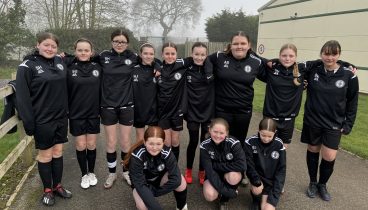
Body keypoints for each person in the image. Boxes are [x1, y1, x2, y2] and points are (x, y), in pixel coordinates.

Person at [16, 32, 72, 206]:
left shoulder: (59, 62)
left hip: (61, 118)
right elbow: (23, 99)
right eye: (46, 45)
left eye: (53, 46)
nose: (49, 48)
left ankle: (57, 186)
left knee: (58, 153)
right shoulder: (27, 66)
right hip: (42, 120)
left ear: (57, 49)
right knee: (46, 155)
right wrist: (29, 124)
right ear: (38, 44)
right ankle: (47, 190)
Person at [302, 40, 359, 201]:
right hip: (313, 120)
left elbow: (352, 102)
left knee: (329, 156)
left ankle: (322, 184)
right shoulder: (313, 70)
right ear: (321, 54)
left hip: (334, 123)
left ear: (339, 55)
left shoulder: (349, 75)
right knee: (313, 151)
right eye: (326, 53)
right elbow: (294, 66)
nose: (330, 57)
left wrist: (348, 124)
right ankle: (312, 182)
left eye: (334, 54)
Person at [98, 29, 137, 188]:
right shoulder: (103, 56)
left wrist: (157, 66)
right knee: (111, 142)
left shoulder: (133, 57)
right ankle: (112, 173)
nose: (119, 44)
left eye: (122, 42)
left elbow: (150, 60)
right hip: (108, 105)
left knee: (126, 142)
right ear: (111, 42)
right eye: (116, 41)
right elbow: (82, 57)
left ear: (127, 43)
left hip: (127, 105)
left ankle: (126, 172)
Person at [65, 38, 101, 189]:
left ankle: (91, 172)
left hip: (93, 113)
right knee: (81, 144)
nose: (83, 53)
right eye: (80, 50)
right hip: (76, 113)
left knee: (91, 144)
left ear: (91, 52)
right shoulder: (68, 67)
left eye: (86, 50)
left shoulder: (98, 67)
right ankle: (84, 174)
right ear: (75, 51)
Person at [124, 126, 188, 210]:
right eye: (151, 144)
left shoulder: (167, 152)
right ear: (144, 142)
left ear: (163, 142)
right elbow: (139, 184)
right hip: (142, 184)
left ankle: (181, 206)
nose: (154, 148)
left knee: (181, 181)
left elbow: (176, 179)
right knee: (143, 206)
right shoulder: (137, 156)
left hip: (159, 180)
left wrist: (156, 192)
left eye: (158, 144)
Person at [184, 42, 214, 185]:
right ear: (192, 54)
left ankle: (202, 171)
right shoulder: (187, 67)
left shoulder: (212, 68)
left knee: (205, 143)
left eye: (202, 55)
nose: (199, 57)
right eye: (196, 54)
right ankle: (189, 169)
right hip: (192, 112)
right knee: (193, 141)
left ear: (206, 55)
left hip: (208, 112)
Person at [200, 118, 246, 210]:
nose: (218, 135)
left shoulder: (234, 143)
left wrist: (217, 166)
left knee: (233, 176)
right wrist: (226, 191)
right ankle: (224, 192)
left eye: (221, 133)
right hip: (213, 173)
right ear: (209, 130)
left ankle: (224, 200)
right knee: (210, 195)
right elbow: (209, 171)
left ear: (227, 133)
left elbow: (242, 165)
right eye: (215, 131)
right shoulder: (204, 145)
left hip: (229, 172)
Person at [243, 118, 286, 210]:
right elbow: (249, 165)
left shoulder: (279, 144)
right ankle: (255, 199)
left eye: (270, 136)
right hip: (258, 178)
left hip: (271, 182)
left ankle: (266, 197)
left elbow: (281, 170)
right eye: (263, 135)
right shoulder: (250, 142)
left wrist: (275, 195)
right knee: (257, 189)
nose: (266, 139)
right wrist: (256, 180)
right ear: (258, 131)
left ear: (275, 132)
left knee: (267, 208)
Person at [157, 42, 187, 161]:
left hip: (177, 110)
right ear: (162, 54)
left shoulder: (182, 66)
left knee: (175, 141)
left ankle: (174, 168)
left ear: (177, 54)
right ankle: (166, 167)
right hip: (163, 111)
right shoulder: (158, 69)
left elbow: (200, 59)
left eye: (173, 53)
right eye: (167, 53)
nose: (170, 56)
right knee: (167, 142)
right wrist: (156, 65)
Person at [132, 43, 160, 142]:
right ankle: (140, 157)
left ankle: (152, 157)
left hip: (153, 110)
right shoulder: (133, 69)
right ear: (140, 54)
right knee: (140, 139)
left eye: (151, 54)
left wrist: (157, 65)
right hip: (138, 109)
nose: (148, 56)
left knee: (152, 138)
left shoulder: (158, 70)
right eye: (145, 53)